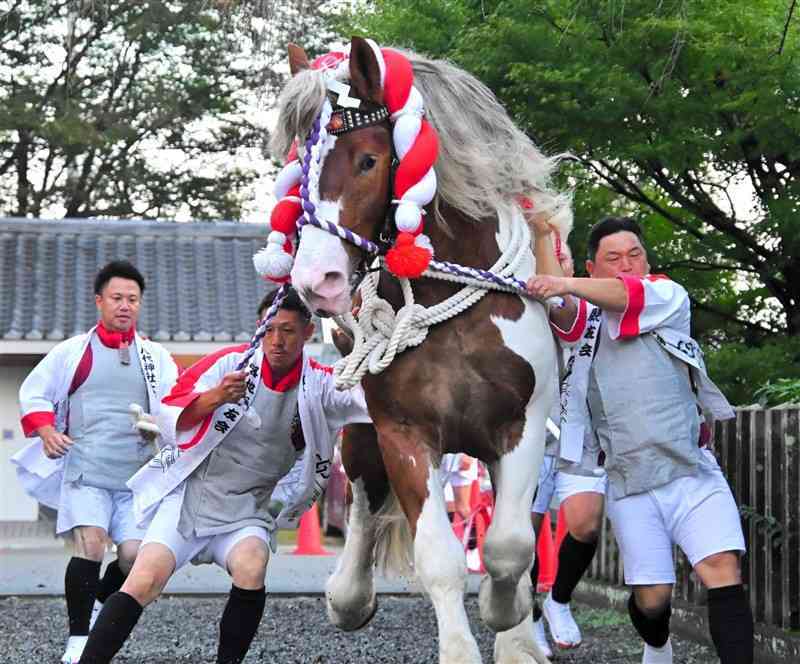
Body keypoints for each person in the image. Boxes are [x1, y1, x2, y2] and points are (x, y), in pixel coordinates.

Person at [78, 286, 372, 664]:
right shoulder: (229, 365)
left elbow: (371, 399)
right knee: (144, 579)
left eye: (288, 331)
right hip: (189, 499)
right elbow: (168, 411)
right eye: (269, 330)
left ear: (308, 333)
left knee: (252, 564)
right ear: (258, 328)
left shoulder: (321, 383)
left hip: (246, 509)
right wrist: (215, 397)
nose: (277, 341)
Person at [526, 217, 752, 664]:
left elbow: (624, 294)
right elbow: (558, 305)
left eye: (635, 255)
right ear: (592, 268)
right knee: (652, 600)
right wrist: (539, 237)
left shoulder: (666, 295)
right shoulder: (587, 323)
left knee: (723, 569)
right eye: (613, 258)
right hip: (628, 480)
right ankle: (657, 643)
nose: (628, 265)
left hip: (691, 468)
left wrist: (560, 278)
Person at [13, 260, 178, 664]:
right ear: (99, 301)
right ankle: (78, 638)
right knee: (91, 543)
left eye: (133, 299)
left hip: (136, 478)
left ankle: (101, 601)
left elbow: (175, 408)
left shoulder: (155, 358)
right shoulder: (72, 352)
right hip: (85, 470)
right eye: (117, 297)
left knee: (135, 556)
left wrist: (157, 427)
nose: (125, 305)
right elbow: (34, 393)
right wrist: (48, 431)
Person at [525, 218, 607, 655]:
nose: (560, 265)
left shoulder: (595, 307)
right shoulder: (517, 308)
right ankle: (531, 618)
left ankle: (558, 600)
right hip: (532, 432)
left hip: (581, 430)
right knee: (522, 536)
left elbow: (569, 318)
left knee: (585, 523)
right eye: (552, 259)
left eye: (565, 258)